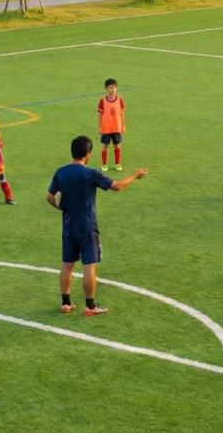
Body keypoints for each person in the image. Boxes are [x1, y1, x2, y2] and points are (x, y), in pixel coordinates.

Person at [46, 136, 148, 316]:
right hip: (87, 226)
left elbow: (50, 196)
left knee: (67, 265)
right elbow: (116, 186)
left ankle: (66, 303)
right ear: (87, 154)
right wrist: (135, 176)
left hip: (68, 226)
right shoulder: (90, 173)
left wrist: (61, 207)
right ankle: (90, 306)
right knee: (89, 266)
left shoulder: (60, 172)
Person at [97, 78, 126, 172]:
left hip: (117, 128)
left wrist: (123, 125)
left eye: (114, 88)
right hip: (106, 128)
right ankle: (104, 164)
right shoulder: (103, 101)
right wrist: (100, 127)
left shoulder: (119, 100)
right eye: (110, 88)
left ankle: (117, 164)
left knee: (117, 145)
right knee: (105, 145)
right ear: (106, 88)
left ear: (116, 88)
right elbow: (100, 114)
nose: (112, 90)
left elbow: (121, 113)